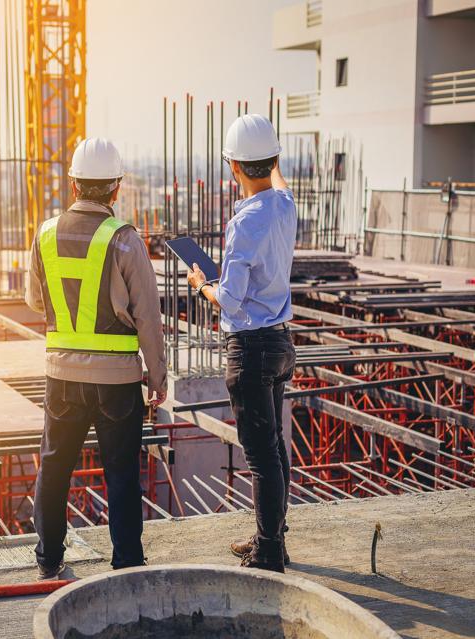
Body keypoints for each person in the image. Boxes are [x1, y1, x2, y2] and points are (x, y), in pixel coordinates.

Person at [26, 138, 167, 579]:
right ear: (116, 188)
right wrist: (158, 376)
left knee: (54, 466)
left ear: (73, 185)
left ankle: (49, 557)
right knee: (121, 473)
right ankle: (126, 563)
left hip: (61, 376)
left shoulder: (45, 233)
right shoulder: (125, 240)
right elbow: (148, 315)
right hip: (117, 382)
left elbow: (34, 301)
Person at [187, 114, 297, 573]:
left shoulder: (245, 222)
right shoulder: (286, 206)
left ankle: (269, 550)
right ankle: (271, 536)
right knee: (274, 447)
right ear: (273, 160)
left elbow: (230, 302)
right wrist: (268, 157)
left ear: (232, 167)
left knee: (261, 455)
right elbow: (278, 181)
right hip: (280, 343)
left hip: (250, 349)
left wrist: (200, 283)